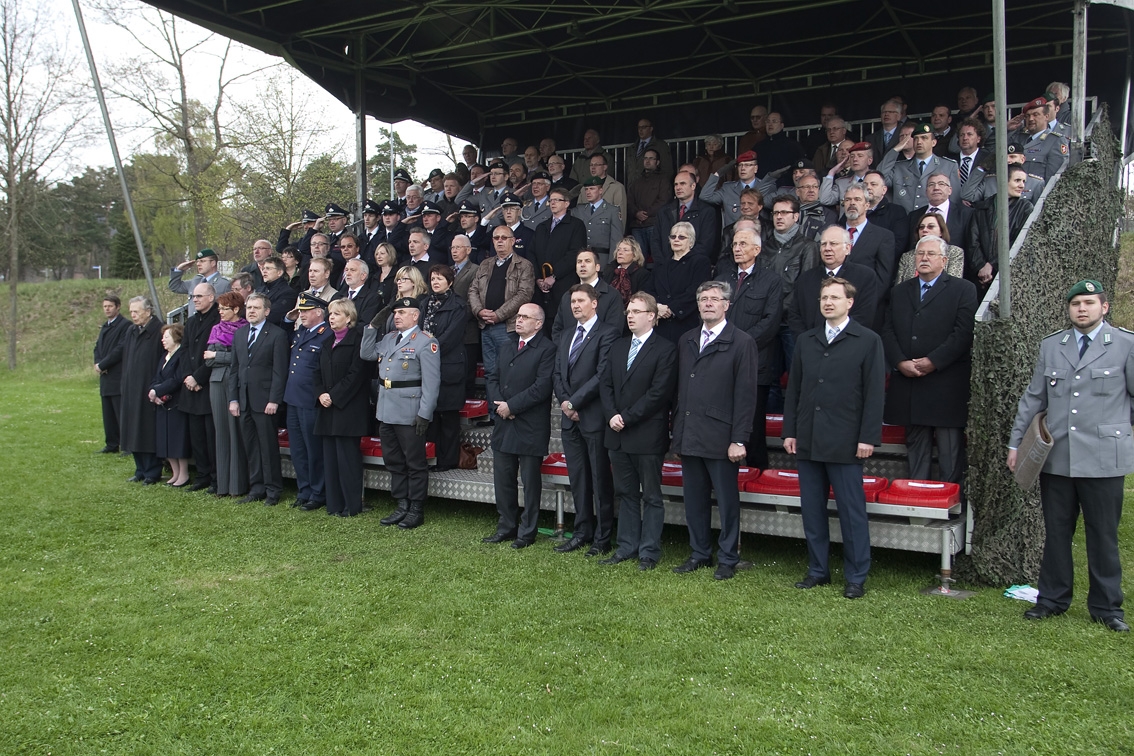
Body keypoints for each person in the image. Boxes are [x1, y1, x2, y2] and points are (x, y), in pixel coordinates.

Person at [1008, 280, 1134, 632]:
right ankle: (1052, 599)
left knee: (1103, 534)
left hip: (1104, 458)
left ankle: (1107, 608)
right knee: (1057, 532)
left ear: (1104, 307)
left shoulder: (1125, 344)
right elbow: (1034, 398)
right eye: (1076, 303)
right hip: (1058, 456)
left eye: (1089, 303)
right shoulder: (1053, 346)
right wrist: (1016, 443)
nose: (1081, 309)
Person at [784, 276, 886, 599]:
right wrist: (790, 431)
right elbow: (794, 390)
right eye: (824, 298)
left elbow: (874, 394)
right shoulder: (806, 340)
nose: (828, 303)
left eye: (835, 298)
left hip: (846, 441)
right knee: (812, 510)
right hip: (809, 438)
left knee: (851, 513)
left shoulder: (867, 340)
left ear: (849, 303)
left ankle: (856, 576)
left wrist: (867, 437)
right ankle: (818, 570)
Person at [670, 280, 759, 580]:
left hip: (722, 437)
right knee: (694, 500)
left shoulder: (742, 342)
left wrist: (739, 439)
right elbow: (679, 390)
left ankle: (728, 558)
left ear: (726, 305)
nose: (708, 303)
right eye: (703, 299)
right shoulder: (686, 339)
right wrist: (678, 433)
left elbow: (746, 395)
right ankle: (699, 553)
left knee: (726, 501)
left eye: (714, 299)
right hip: (690, 433)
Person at [882, 236, 978, 484]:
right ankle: (917, 496)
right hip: (910, 383)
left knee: (949, 454)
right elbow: (888, 330)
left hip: (945, 384)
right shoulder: (900, 291)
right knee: (916, 452)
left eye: (931, 254)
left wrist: (933, 361)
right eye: (920, 253)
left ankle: (950, 499)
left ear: (944, 261)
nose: (924, 258)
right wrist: (900, 362)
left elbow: (963, 333)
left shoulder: (963, 289)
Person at [598, 292, 677, 570]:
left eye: (636, 312)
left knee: (651, 496)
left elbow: (659, 393)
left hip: (646, 435)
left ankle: (648, 552)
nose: (630, 316)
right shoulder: (618, 346)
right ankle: (626, 547)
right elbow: (605, 384)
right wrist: (611, 415)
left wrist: (626, 417)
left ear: (651, 316)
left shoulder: (665, 349)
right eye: (628, 312)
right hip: (617, 434)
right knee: (626, 493)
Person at [360, 297, 441, 529]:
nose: (397, 316)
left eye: (402, 313)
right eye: (395, 313)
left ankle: (416, 508)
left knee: (414, 463)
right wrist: (372, 327)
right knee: (393, 460)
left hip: (410, 411)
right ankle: (402, 504)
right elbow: (366, 353)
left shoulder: (426, 342)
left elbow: (431, 383)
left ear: (415, 316)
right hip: (386, 409)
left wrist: (425, 413)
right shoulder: (388, 338)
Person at [552, 284, 619, 556]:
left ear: (594, 303)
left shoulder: (608, 333)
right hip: (570, 419)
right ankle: (582, 532)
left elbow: (602, 374)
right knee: (578, 478)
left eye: (581, 300)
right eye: (573, 302)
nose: (576, 305)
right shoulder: (567, 334)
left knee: (599, 479)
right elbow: (558, 373)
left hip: (593, 417)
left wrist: (575, 403)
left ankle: (603, 538)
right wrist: (566, 403)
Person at [483, 303, 557, 548]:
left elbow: (542, 387)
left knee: (530, 482)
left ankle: (527, 532)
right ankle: (506, 526)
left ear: (539, 323)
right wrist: (499, 405)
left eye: (525, 317)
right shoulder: (507, 345)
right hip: (504, 423)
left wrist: (512, 406)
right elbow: (492, 377)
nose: (519, 320)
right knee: (503, 479)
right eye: (518, 316)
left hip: (530, 425)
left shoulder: (547, 349)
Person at [715, 228, 783, 469]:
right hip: (721, 363)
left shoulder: (771, 280)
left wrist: (738, 344)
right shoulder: (722, 279)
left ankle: (756, 473)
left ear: (757, 249)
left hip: (755, 363)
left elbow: (770, 322)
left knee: (753, 428)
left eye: (743, 244)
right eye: (734, 244)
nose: (737, 248)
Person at [227, 293, 288, 506]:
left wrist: (274, 400)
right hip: (244, 401)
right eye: (249, 307)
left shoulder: (277, 335)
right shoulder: (240, 334)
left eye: (256, 307)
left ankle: (273, 490)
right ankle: (256, 488)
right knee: (251, 446)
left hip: (265, 402)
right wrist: (233, 399)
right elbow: (234, 369)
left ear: (267, 311)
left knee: (268, 447)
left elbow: (280, 371)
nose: (251, 311)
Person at [315, 299, 371, 517]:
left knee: (347, 460)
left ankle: (351, 505)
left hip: (348, 410)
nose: (331, 318)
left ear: (349, 318)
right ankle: (334, 504)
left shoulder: (357, 341)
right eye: (330, 314)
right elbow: (316, 372)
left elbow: (356, 375)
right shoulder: (327, 341)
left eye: (337, 314)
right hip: (327, 409)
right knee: (330, 460)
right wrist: (320, 393)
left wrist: (333, 396)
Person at [468, 225, 536, 391]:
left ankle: (507, 406)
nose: (499, 241)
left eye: (504, 238)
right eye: (496, 238)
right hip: (485, 326)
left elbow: (524, 295)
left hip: (508, 327)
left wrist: (498, 314)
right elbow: (473, 290)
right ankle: (493, 407)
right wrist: (479, 311)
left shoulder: (524, 265)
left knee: (508, 372)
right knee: (490, 373)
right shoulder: (485, 264)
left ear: (513, 241)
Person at [284, 293, 332, 511]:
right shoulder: (301, 332)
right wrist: (289, 318)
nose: (301, 315)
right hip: (293, 398)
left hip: (310, 400)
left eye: (306, 311)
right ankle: (304, 490)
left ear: (319, 312)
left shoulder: (326, 334)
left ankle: (318, 492)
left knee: (314, 450)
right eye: (300, 311)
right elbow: (284, 334)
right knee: (298, 450)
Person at [789, 226, 879, 337]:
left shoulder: (864, 276)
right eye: (823, 244)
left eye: (833, 244)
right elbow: (795, 315)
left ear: (848, 248)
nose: (827, 248)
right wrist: (808, 340)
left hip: (849, 342)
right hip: (810, 343)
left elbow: (864, 315)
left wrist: (834, 339)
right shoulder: (806, 278)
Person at [420, 265, 468, 472]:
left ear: (450, 281)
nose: (435, 282)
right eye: (433, 279)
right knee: (431, 415)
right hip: (426, 365)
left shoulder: (459, 305)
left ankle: (447, 461)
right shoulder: (425, 303)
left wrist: (429, 348)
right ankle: (432, 457)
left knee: (448, 416)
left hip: (449, 365)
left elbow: (451, 336)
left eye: (440, 278)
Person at [203, 292, 248, 497]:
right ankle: (223, 485)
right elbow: (208, 360)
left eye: (224, 308)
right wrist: (225, 356)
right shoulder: (216, 329)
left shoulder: (245, 329)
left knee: (235, 432)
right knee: (221, 432)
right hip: (216, 382)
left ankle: (237, 485)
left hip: (235, 382)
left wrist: (218, 355)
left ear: (236, 309)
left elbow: (243, 358)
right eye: (219, 308)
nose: (220, 312)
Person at [178, 282, 221, 491]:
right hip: (191, 385)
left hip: (207, 384)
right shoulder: (192, 321)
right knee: (196, 436)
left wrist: (198, 378)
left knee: (211, 436)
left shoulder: (218, 319)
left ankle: (215, 477)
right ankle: (202, 475)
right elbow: (185, 350)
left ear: (211, 297)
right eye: (193, 297)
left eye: (199, 296)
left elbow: (215, 353)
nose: (195, 300)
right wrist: (188, 376)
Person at [120, 296, 164, 485]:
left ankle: (152, 471)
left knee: (147, 430)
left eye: (136, 311)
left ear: (148, 311)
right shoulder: (131, 330)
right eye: (131, 312)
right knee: (132, 429)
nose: (133, 315)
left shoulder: (158, 330)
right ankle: (140, 469)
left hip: (148, 386)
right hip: (131, 387)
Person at [968, 165, 1035, 288]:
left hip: (1010, 275)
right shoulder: (982, 207)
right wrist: (981, 267)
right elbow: (973, 241)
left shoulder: (1025, 208)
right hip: (980, 277)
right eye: (1017, 180)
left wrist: (992, 265)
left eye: (1023, 181)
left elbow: (1019, 241)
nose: (1022, 185)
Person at [530, 187, 587, 330]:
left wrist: (554, 276)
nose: (553, 203)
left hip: (563, 283)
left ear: (566, 203)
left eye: (557, 200)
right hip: (541, 287)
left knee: (562, 325)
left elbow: (575, 253)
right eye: (551, 200)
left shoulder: (576, 225)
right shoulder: (541, 227)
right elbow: (532, 253)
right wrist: (538, 278)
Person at [648, 221, 711, 344]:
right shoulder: (661, 265)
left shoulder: (700, 262)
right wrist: (657, 306)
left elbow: (696, 291)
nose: (676, 239)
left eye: (681, 237)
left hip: (685, 324)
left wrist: (671, 309)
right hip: (660, 323)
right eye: (673, 236)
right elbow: (649, 289)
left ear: (691, 242)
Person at [551, 248, 625, 342]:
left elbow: (614, 331)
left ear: (597, 267)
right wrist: (565, 348)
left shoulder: (612, 295)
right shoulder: (567, 296)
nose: (582, 265)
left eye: (587, 261)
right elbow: (557, 330)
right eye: (579, 262)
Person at [150, 323, 192, 487]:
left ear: (176, 338)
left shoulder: (181, 355)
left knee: (177, 440)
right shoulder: (164, 357)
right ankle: (175, 473)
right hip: (162, 404)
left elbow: (176, 379)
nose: (163, 340)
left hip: (176, 403)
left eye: (166, 337)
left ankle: (184, 474)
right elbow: (157, 377)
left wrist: (158, 390)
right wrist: (153, 391)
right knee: (165, 440)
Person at [93, 295, 131, 454]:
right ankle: (112, 443)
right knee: (108, 413)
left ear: (118, 306)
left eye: (110, 306)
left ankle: (127, 445)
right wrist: (98, 363)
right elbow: (98, 347)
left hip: (117, 375)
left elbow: (120, 349)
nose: (107, 309)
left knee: (120, 412)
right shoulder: (105, 326)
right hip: (105, 376)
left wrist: (104, 364)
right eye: (105, 306)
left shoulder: (125, 325)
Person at [894, 211, 965, 283]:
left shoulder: (954, 252)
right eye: (921, 227)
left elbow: (954, 283)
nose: (924, 230)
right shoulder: (907, 256)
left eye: (930, 227)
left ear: (941, 231)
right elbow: (899, 286)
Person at [602, 237, 653, 307]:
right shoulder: (609, 270)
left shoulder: (643, 274)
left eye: (625, 250)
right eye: (618, 249)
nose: (620, 252)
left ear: (635, 254)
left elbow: (643, 299)